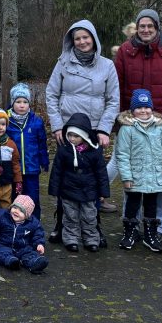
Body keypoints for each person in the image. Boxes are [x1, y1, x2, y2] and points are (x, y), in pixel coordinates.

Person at [113, 9, 162, 235]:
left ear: (157, 27)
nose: (146, 30)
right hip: (133, 124)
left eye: (150, 26)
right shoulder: (125, 51)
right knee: (133, 176)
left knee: (161, 179)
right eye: (142, 26)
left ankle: (156, 227)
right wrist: (118, 120)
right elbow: (116, 87)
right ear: (136, 28)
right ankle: (132, 224)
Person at [45, 19, 120, 241]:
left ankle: (92, 227)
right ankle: (62, 225)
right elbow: (51, 94)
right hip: (68, 131)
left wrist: (105, 129)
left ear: (93, 38)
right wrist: (57, 125)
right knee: (65, 177)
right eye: (77, 38)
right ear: (71, 41)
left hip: (95, 130)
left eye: (85, 37)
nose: (82, 42)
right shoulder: (62, 64)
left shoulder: (107, 66)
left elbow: (113, 100)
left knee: (92, 180)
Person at [115, 89, 162, 253]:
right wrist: (126, 176)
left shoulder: (161, 128)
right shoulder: (127, 129)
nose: (143, 111)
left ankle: (150, 234)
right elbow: (122, 154)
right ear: (133, 110)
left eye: (146, 107)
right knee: (132, 204)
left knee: (151, 205)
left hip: (155, 176)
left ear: (151, 108)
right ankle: (130, 232)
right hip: (135, 176)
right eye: (139, 108)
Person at [47, 113, 110, 253]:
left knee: (89, 216)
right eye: (69, 135)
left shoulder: (94, 151)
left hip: (89, 191)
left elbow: (101, 173)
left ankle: (91, 239)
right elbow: (57, 171)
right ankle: (70, 239)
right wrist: (54, 190)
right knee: (70, 216)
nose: (72, 139)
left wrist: (103, 192)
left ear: (85, 136)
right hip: (68, 190)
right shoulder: (64, 150)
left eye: (76, 136)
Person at [5, 82, 49, 220]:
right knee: (14, 198)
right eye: (18, 101)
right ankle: (13, 226)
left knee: (32, 198)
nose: (22, 105)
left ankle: (33, 225)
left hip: (31, 168)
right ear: (13, 103)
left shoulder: (36, 121)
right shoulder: (6, 121)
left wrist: (44, 160)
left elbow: (42, 143)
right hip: (13, 169)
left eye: (25, 102)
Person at [0, 194, 48, 274]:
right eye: (15, 207)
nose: (16, 211)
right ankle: (11, 261)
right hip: (3, 244)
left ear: (27, 215)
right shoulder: (2, 215)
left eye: (21, 211)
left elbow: (38, 234)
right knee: (0, 252)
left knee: (30, 253)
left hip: (22, 247)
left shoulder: (33, 223)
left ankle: (34, 262)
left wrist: (39, 244)